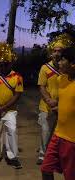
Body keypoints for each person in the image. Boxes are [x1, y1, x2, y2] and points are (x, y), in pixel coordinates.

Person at [36, 33, 74, 165]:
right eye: (55, 51)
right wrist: (49, 100)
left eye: (60, 51)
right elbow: (41, 86)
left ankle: (56, 157)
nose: (57, 53)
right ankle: (42, 155)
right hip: (47, 106)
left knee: (59, 135)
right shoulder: (45, 68)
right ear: (51, 52)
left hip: (64, 107)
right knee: (45, 132)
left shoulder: (67, 69)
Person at [0, 43, 23, 169]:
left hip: (10, 111)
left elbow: (17, 95)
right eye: (0, 64)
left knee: (11, 131)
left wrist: (3, 108)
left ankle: (12, 157)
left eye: (5, 64)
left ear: (10, 63)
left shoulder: (17, 77)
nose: (2, 66)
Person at [41, 46, 75, 180]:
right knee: (46, 169)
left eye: (63, 60)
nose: (59, 63)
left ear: (73, 64)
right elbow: (62, 101)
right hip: (58, 134)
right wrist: (56, 106)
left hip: (72, 140)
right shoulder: (61, 79)